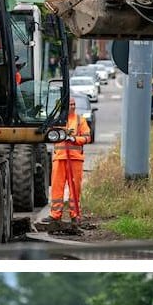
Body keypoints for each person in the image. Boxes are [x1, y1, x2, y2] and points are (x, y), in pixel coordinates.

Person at [48, 94, 91, 229]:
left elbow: (87, 137)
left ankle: (75, 216)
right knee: (56, 187)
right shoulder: (57, 120)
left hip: (75, 159)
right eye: (70, 104)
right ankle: (55, 216)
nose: (72, 106)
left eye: (73, 104)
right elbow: (50, 134)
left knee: (75, 189)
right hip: (60, 158)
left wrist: (74, 139)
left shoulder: (80, 120)